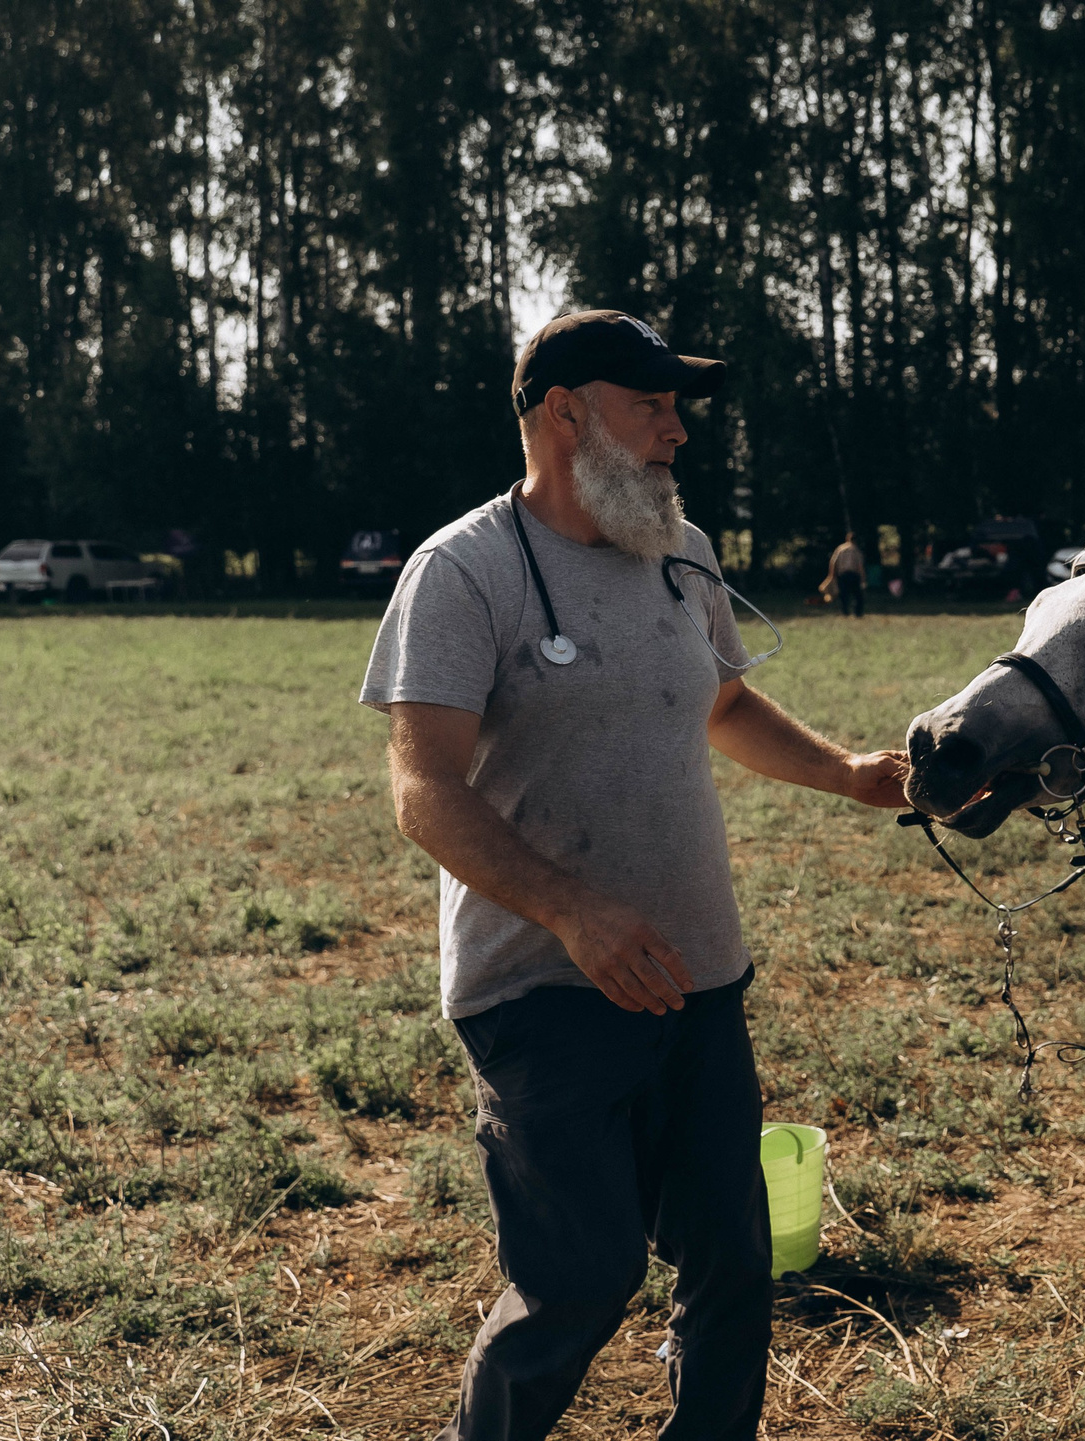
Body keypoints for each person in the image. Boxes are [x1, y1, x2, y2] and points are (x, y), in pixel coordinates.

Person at [361, 309, 911, 1441]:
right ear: (567, 413)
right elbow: (424, 788)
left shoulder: (681, 552)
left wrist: (852, 775)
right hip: (544, 989)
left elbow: (723, 703)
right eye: (652, 404)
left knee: (733, 1262)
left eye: (677, 407)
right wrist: (572, 912)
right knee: (581, 1277)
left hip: (700, 976)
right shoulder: (464, 571)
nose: (678, 432)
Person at [828, 531, 867, 616]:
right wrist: (863, 578)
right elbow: (860, 566)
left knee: (844, 594)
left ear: (847, 539)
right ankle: (858, 613)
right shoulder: (856, 550)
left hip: (843, 575)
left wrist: (832, 575)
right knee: (858, 595)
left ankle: (845, 612)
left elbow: (833, 562)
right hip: (854, 575)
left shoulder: (840, 549)